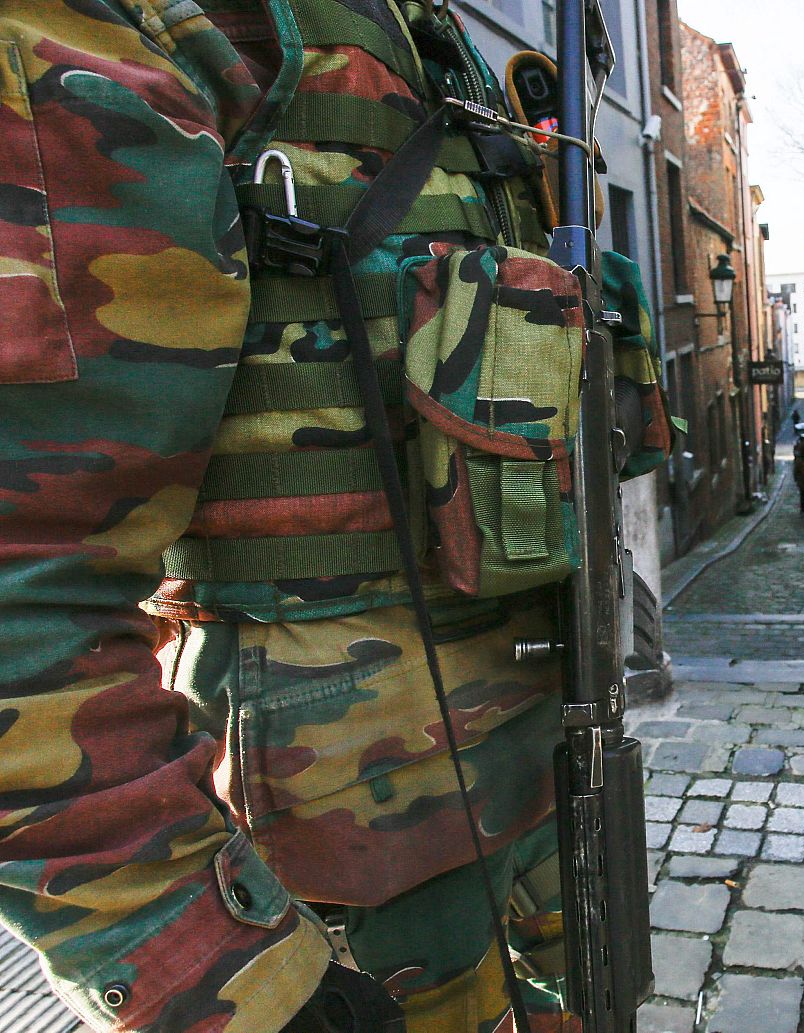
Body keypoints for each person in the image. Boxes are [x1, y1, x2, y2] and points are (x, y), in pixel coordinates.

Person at [0, 4, 668, 1032]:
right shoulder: (169, 30)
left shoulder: (424, 40)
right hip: (336, 888)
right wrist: (214, 972)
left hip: (531, 806)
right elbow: (25, 586)